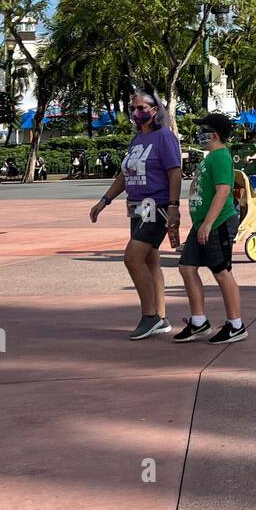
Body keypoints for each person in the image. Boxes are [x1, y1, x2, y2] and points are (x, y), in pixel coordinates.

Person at [90, 88, 182, 340]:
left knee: (132, 257)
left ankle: (149, 315)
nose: (136, 112)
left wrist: (174, 206)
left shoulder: (164, 137)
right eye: (133, 108)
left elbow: (175, 171)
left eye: (141, 108)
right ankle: (161, 317)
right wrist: (105, 200)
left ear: (154, 110)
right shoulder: (136, 140)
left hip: (158, 205)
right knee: (151, 260)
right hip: (136, 206)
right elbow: (124, 174)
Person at [174, 114, 247, 344]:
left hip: (218, 223)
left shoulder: (220, 157)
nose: (199, 134)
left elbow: (223, 191)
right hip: (202, 224)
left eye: (203, 130)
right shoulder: (211, 157)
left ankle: (236, 325)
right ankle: (199, 322)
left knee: (221, 272)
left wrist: (207, 223)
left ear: (214, 134)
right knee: (187, 267)